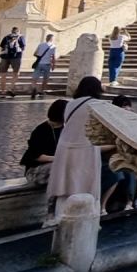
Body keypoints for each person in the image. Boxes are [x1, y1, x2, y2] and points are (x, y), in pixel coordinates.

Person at [48, 78, 110, 212]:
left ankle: (59, 215)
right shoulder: (98, 105)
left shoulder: (70, 104)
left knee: (65, 184)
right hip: (85, 148)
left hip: (65, 147)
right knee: (84, 185)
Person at [21, 99, 64, 186]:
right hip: (35, 171)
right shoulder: (41, 131)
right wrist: (59, 159)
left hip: (56, 168)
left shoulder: (66, 129)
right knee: (59, 168)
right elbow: (36, 156)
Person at [0, 27, 26, 97]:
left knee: (3, 75)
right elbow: (23, 48)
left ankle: (3, 92)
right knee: (16, 73)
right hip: (16, 57)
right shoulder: (21, 37)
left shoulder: (6, 37)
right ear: (18, 31)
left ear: (11, 31)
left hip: (5, 57)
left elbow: (2, 48)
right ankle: (11, 88)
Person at [29, 34, 58, 98]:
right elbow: (53, 57)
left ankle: (34, 88)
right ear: (51, 39)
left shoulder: (41, 44)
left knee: (35, 78)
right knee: (45, 78)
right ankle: (42, 91)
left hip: (39, 63)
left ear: (46, 38)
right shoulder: (53, 46)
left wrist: (40, 57)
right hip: (47, 64)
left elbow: (35, 53)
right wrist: (54, 64)